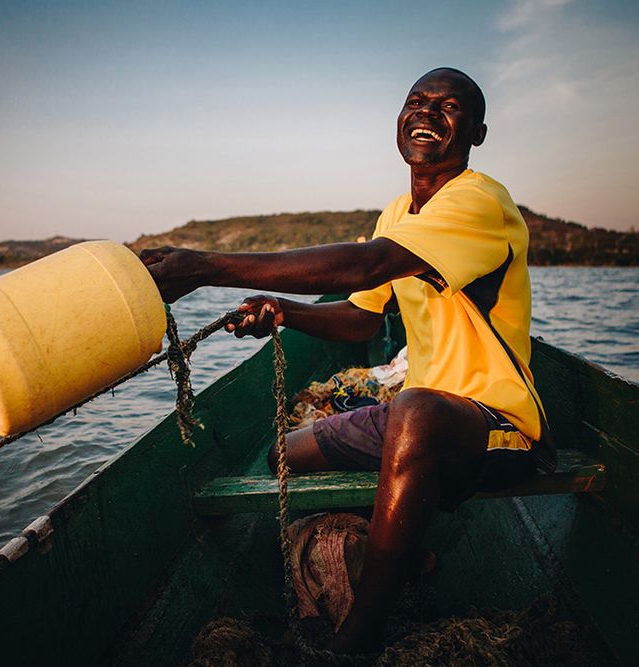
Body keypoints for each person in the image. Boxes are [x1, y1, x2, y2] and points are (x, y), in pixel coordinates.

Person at [141, 67, 555, 654]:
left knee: (414, 411)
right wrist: (282, 311)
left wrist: (207, 267)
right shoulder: (397, 213)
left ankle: (357, 638)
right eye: (416, 102)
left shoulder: (481, 200)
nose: (427, 112)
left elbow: (367, 266)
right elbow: (363, 316)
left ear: (478, 134)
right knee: (286, 454)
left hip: (494, 425)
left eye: (449, 107)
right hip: (415, 415)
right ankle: (407, 550)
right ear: (400, 120)